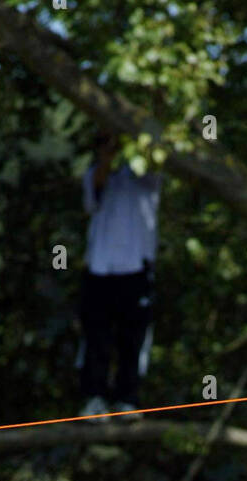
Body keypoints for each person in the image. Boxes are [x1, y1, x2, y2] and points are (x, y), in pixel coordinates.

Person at [77, 132, 162, 418]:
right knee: (96, 335)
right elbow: (93, 196)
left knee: (133, 338)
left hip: (136, 266)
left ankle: (128, 398)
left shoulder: (148, 173)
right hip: (100, 266)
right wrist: (106, 160)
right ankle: (94, 396)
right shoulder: (95, 175)